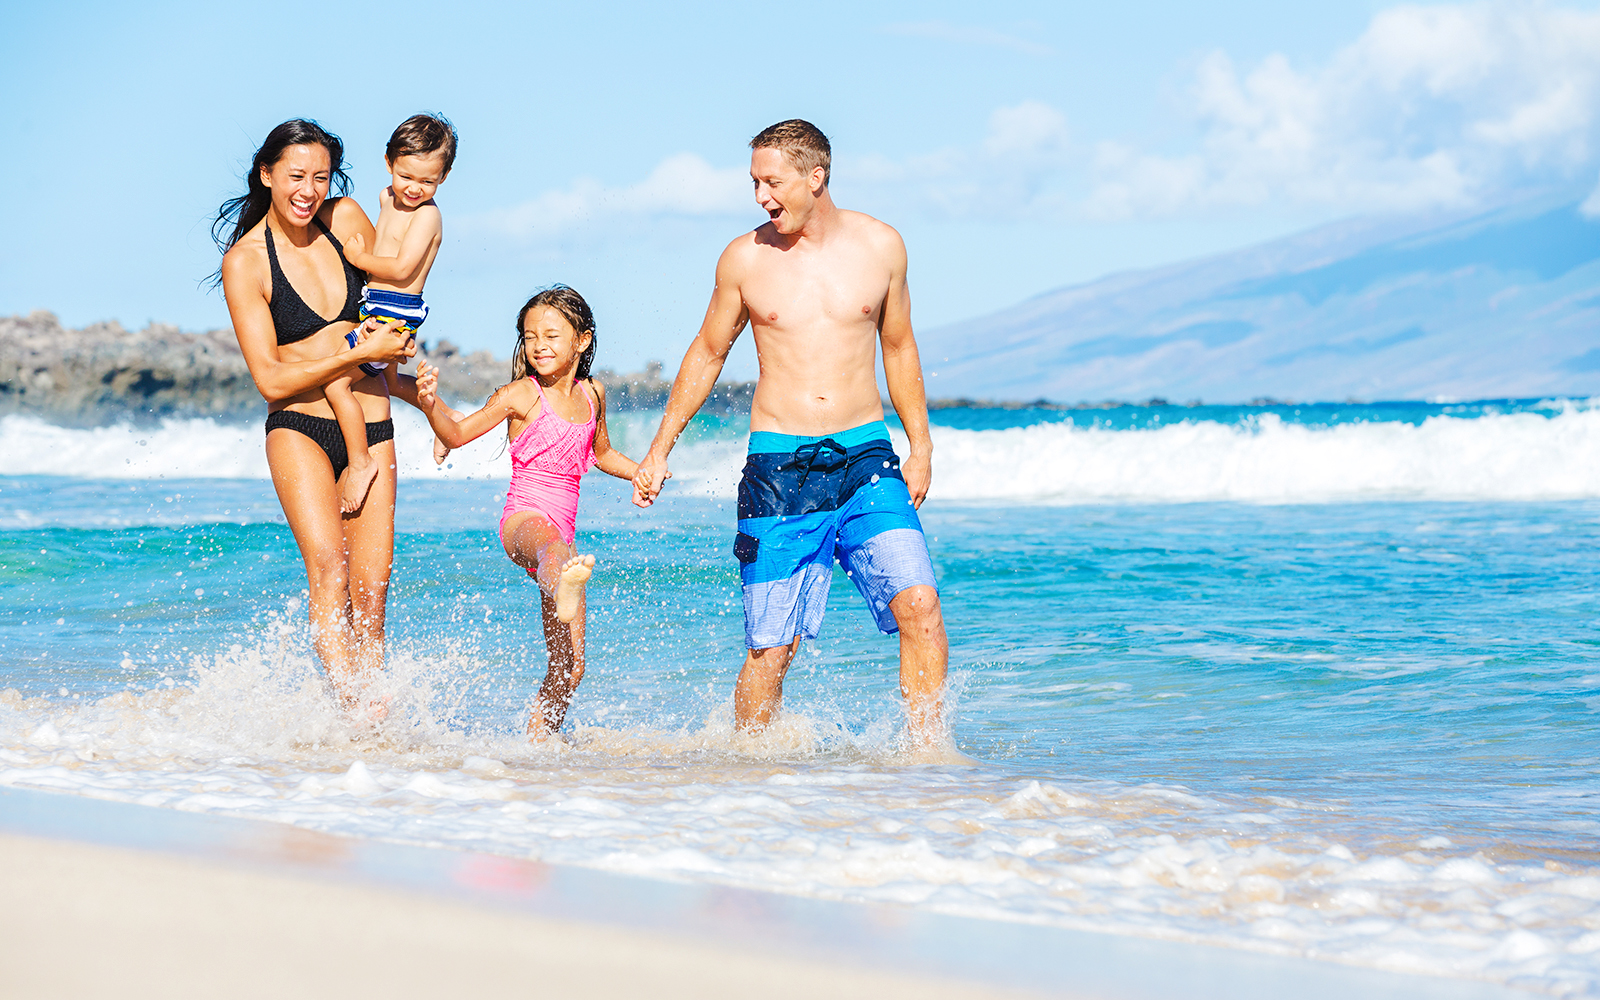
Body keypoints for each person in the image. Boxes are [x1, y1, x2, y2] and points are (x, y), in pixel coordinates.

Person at [632, 119, 950, 750]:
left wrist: (922, 444)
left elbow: (899, 346)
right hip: (779, 470)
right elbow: (708, 352)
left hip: (867, 458)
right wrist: (661, 446)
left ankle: (929, 758)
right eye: (754, 182)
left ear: (816, 176)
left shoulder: (882, 246)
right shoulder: (744, 259)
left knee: (919, 606)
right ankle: (749, 773)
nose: (760, 196)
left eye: (770, 181)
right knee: (773, 651)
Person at [214, 118, 431, 719]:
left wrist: (411, 376)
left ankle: (369, 735)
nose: (309, 190)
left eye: (321, 176)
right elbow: (270, 378)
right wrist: (356, 351)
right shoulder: (247, 262)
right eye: (295, 176)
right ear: (267, 175)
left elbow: (400, 290)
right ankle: (358, 705)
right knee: (330, 574)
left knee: (373, 594)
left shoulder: (345, 222)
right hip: (299, 430)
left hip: (374, 420)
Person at [414, 286, 641, 741]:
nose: (538, 344)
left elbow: (602, 454)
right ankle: (562, 583)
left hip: (562, 542)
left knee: (572, 666)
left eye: (552, 335)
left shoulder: (593, 394)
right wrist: (429, 405)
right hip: (524, 521)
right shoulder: (521, 394)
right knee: (554, 550)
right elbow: (457, 434)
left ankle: (540, 745)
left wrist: (641, 473)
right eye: (530, 335)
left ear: (582, 340)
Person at [329, 113, 456, 512]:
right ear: (389, 163)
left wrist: (357, 257)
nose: (415, 189)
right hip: (380, 306)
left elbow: (400, 268)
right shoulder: (387, 198)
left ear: (444, 177)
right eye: (407, 176)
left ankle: (360, 461)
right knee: (392, 383)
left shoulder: (427, 215)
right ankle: (446, 421)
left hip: (392, 311)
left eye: (427, 181)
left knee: (335, 382)